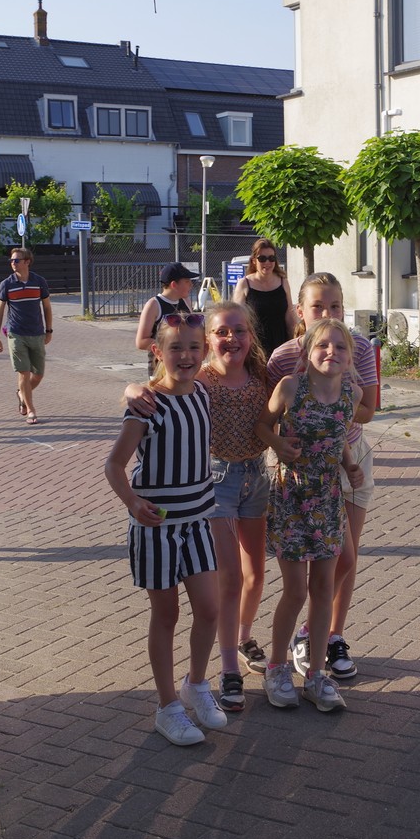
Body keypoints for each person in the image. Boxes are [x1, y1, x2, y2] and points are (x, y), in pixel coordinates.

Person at [124, 301, 281, 715]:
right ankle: (223, 672)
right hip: (212, 486)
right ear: (209, 340)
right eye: (221, 331)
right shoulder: (200, 381)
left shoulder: (259, 376)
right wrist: (131, 388)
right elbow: (155, 389)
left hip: (252, 479)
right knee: (223, 582)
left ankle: (237, 643)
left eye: (239, 330)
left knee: (252, 576)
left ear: (251, 335)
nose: (232, 338)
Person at [103, 312, 227, 747]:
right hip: (157, 527)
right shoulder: (146, 406)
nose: (186, 356)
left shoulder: (203, 392)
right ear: (158, 352)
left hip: (198, 522)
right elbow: (114, 465)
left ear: (205, 350)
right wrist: (133, 503)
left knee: (209, 608)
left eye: (194, 347)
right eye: (176, 347)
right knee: (167, 614)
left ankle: (197, 685)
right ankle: (167, 706)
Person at [267, 272, 380, 685]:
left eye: (335, 306)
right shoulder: (284, 360)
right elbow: (268, 415)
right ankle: (290, 651)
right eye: (318, 306)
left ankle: (328, 638)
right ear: (301, 311)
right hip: (298, 478)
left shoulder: (357, 350)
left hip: (343, 462)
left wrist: (339, 405)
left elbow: (366, 410)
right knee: (305, 580)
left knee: (344, 560)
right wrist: (281, 443)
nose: (327, 313)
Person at [259, 317, 363, 713]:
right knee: (295, 591)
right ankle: (277, 668)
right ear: (307, 352)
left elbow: (339, 439)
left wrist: (350, 465)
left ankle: (317, 675)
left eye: (340, 347)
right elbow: (262, 426)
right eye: (323, 345)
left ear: (349, 358)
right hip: (291, 498)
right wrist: (278, 444)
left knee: (323, 590)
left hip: (328, 502)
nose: (331, 352)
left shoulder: (351, 394)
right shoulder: (290, 387)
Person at [0, 247, 53, 425]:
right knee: (24, 374)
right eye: (11, 260)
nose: (13, 263)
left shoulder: (39, 281)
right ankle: (31, 410)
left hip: (37, 333)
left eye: (16, 260)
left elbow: (47, 307)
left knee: (38, 374)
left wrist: (49, 330)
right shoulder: (7, 284)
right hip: (16, 333)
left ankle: (21, 394)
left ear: (27, 262)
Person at [232, 238, 299, 357]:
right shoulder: (244, 284)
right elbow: (237, 319)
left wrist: (295, 342)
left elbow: (289, 315)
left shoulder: (283, 282)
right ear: (254, 261)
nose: (267, 262)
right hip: (255, 347)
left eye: (271, 258)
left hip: (280, 343)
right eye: (262, 258)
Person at [135, 263, 195, 361]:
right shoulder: (154, 305)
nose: (191, 285)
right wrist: (173, 346)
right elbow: (141, 342)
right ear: (174, 285)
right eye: (187, 281)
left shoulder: (185, 300)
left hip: (185, 362)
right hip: (161, 365)